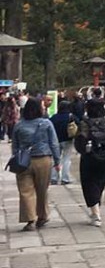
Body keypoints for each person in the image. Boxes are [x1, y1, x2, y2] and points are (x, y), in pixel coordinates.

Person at [11, 98, 61, 231]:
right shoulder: (46, 123)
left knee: (25, 191)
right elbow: (54, 143)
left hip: (24, 161)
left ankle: (30, 219)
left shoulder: (19, 125)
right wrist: (57, 161)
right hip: (43, 159)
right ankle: (42, 215)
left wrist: (16, 158)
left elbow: (15, 145)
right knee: (42, 189)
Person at [75, 98, 105, 227]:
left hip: (89, 157)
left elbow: (79, 140)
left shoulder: (85, 123)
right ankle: (97, 208)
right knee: (100, 183)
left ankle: (96, 214)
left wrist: (82, 150)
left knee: (89, 184)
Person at [49, 101, 75, 185]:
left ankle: (54, 177)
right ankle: (65, 178)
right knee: (66, 159)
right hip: (68, 139)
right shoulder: (70, 116)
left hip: (56, 140)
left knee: (55, 159)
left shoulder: (54, 117)